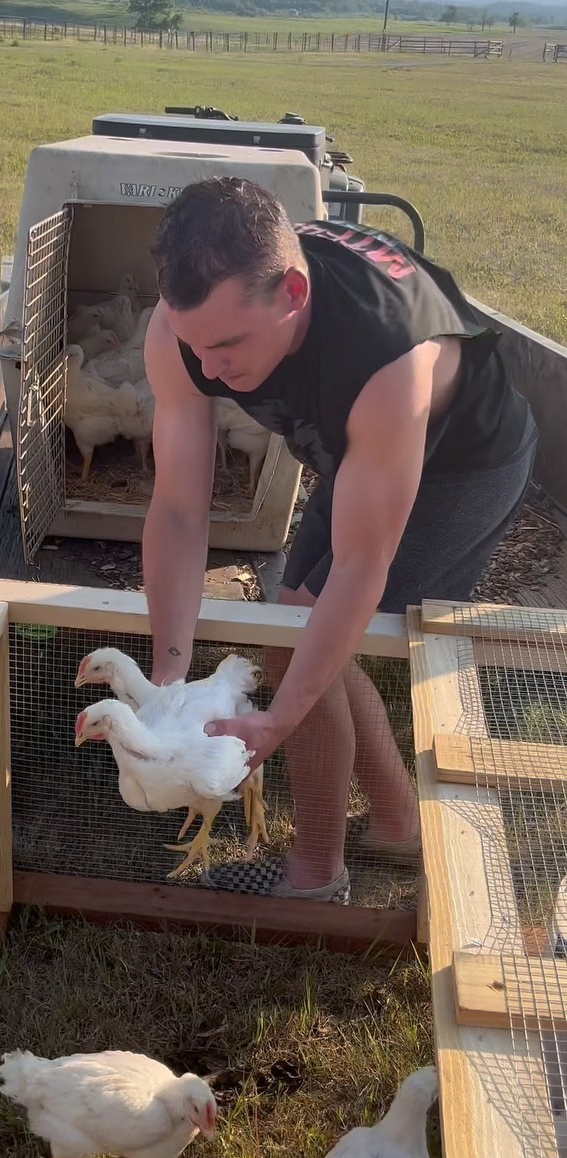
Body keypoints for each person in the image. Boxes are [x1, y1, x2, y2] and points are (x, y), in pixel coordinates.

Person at [141, 176, 538, 903]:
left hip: (463, 461)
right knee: (294, 622)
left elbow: (362, 567)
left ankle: (314, 876)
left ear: (292, 295)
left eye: (228, 345)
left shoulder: (386, 362)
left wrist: (279, 719)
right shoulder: (184, 333)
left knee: (302, 641)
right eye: (195, 345)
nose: (210, 368)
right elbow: (176, 508)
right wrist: (166, 677)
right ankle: (395, 827)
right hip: (352, 449)